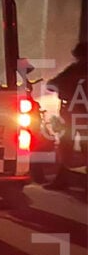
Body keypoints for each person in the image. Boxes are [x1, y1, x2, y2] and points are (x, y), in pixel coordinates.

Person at [45, 41, 87, 190]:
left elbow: (51, 84)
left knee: (66, 147)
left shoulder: (73, 70)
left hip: (71, 114)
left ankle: (62, 180)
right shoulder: (74, 71)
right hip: (79, 115)